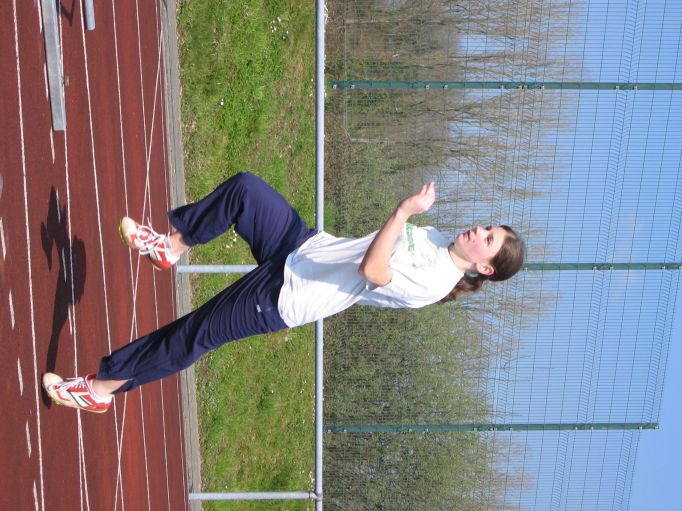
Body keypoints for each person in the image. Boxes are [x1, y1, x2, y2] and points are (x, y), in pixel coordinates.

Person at [42, 172, 525, 413]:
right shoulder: (437, 238)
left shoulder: (434, 283)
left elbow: (372, 269)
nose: (479, 230)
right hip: (302, 246)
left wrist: (402, 213)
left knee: (192, 334)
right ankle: (170, 246)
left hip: (289, 293)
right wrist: (410, 219)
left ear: (485, 267)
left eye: (487, 239)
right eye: (487, 227)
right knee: (246, 190)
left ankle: (98, 390)